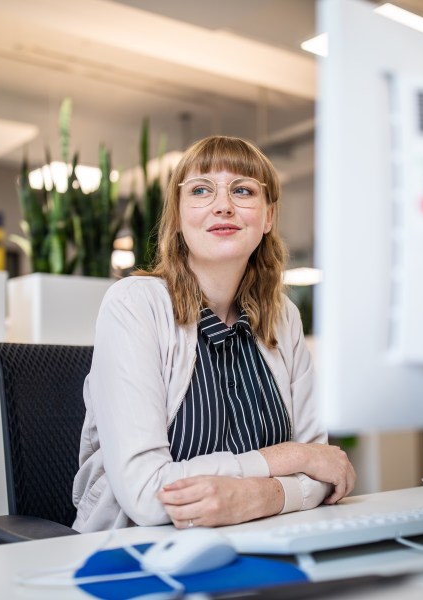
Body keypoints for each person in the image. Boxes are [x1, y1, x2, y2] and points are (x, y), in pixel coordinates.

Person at [72, 135, 356, 533]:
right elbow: (146, 495)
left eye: (242, 190)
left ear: (268, 217)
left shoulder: (283, 317)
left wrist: (255, 497)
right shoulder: (135, 304)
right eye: (202, 190)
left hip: (264, 542)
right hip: (137, 553)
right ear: (179, 215)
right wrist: (287, 459)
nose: (223, 205)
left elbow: (324, 472)